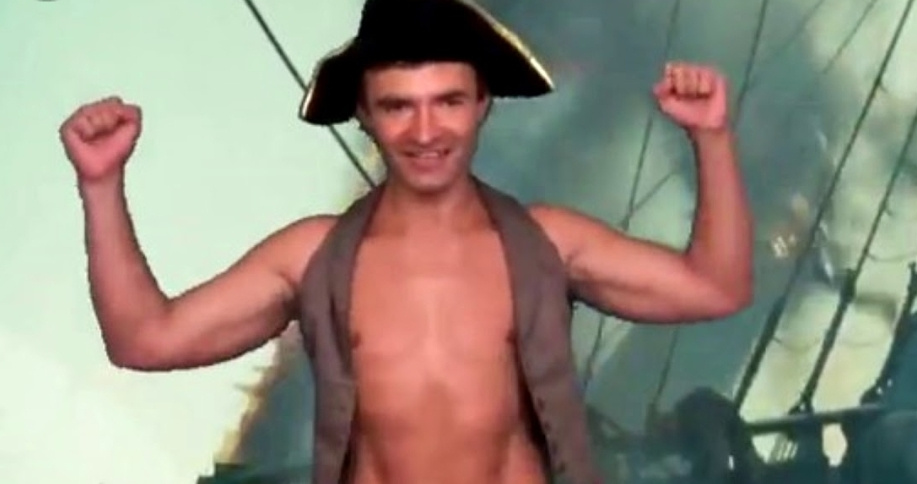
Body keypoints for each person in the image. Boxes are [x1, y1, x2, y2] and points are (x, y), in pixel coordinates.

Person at [58, 0, 753, 482]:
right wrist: (101, 185)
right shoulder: (312, 256)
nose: (425, 132)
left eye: (447, 101)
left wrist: (711, 137)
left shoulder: (548, 242)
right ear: (364, 114)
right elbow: (145, 339)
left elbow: (715, 287)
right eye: (398, 106)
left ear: (482, 103)